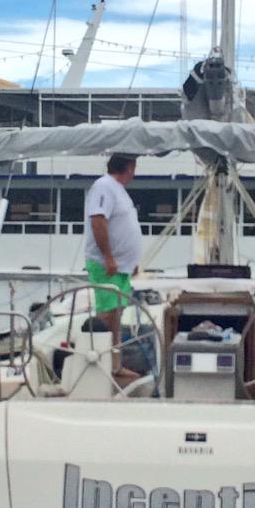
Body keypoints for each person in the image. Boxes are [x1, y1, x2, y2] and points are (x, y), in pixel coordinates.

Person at [84, 154, 142, 381]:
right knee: (107, 315)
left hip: (120, 267)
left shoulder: (118, 190)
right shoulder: (104, 186)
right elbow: (98, 220)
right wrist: (108, 257)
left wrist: (130, 261)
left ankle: (115, 365)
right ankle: (102, 364)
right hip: (107, 266)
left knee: (116, 314)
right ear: (129, 167)